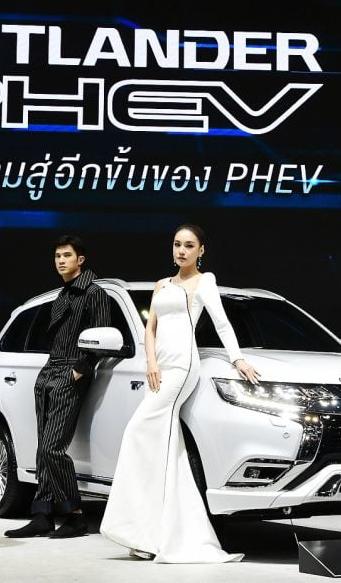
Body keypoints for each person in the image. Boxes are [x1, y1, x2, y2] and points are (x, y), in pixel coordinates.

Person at [100, 224, 259, 563]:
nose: (181, 251)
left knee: (138, 432)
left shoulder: (204, 281)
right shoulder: (162, 284)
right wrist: (150, 362)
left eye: (189, 245)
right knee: (164, 446)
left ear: (201, 251)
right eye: (177, 244)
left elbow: (222, 323)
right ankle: (151, 532)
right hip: (159, 367)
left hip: (183, 367)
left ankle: (149, 531)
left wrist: (237, 358)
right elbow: (150, 328)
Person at [6, 235, 112, 539]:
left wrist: (80, 369)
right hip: (49, 371)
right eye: (57, 256)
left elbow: (102, 334)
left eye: (67, 255)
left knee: (52, 448)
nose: (61, 261)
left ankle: (75, 516)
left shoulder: (94, 293)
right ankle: (42, 514)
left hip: (70, 371)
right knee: (43, 449)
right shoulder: (63, 294)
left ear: (81, 259)